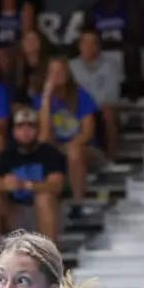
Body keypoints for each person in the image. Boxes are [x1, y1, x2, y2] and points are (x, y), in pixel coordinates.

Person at [0, 107, 66, 256]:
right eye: (21, 127)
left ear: (37, 130)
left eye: (30, 127)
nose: (25, 132)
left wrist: (26, 185)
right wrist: (4, 185)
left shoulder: (50, 153)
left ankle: (49, 256)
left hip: (44, 213)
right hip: (15, 214)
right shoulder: (5, 156)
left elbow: (56, 186)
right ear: (14, 131)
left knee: (44, 198)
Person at [37, 57, 102, 203]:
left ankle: (78, 202)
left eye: (60, 71)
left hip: (87, 149)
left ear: (68, 74)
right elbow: (44, 135)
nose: (57, 75)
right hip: (55, 149)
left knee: (74, 150)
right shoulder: (41, 100)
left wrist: (68, 146)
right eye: (52, 72)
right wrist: (46, 98)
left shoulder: (82, 95)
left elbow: (87, 132)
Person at [70, 29, 123, 160]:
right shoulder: (71, 66)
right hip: (78, 108)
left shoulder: (111, 65)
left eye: (93, 43)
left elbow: (112, 93)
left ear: (99, 46)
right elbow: (71, 92)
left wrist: (91, 104)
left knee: (109, 113)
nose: (89, 47)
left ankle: (112, 158)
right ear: (79, 46)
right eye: (85, 43)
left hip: (102, 107)